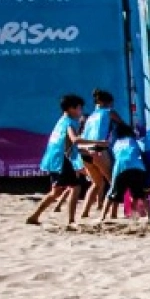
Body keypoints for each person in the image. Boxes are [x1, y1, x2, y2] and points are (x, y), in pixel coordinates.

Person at [26, 94, 96, 226]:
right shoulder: (69, 123)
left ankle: (34, 216)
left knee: (56, 191)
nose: (81, 111)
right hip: (61, 160)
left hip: (54, 160)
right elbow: (75, 140)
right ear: (71, 108)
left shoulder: (61, 121)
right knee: (75, 187)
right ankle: (71, 221)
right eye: (79, 108)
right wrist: (98, 142)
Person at [79, 89, 124, 219]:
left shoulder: (91, 116)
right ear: (109, 102)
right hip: (98, 150)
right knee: (113, 182)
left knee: (96, 183)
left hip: (84, 152)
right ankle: (113, 213)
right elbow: (122, 125)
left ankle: (85, 212)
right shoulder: (109, 112)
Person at [101, 122, 150, 221]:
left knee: (111, 193)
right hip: (137, 167)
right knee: (139, 194)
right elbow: (142, 153)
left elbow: (114, 157)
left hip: (121, 167)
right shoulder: (133, 141)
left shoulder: (116, 144)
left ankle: (102, 217)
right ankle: (147, 216)